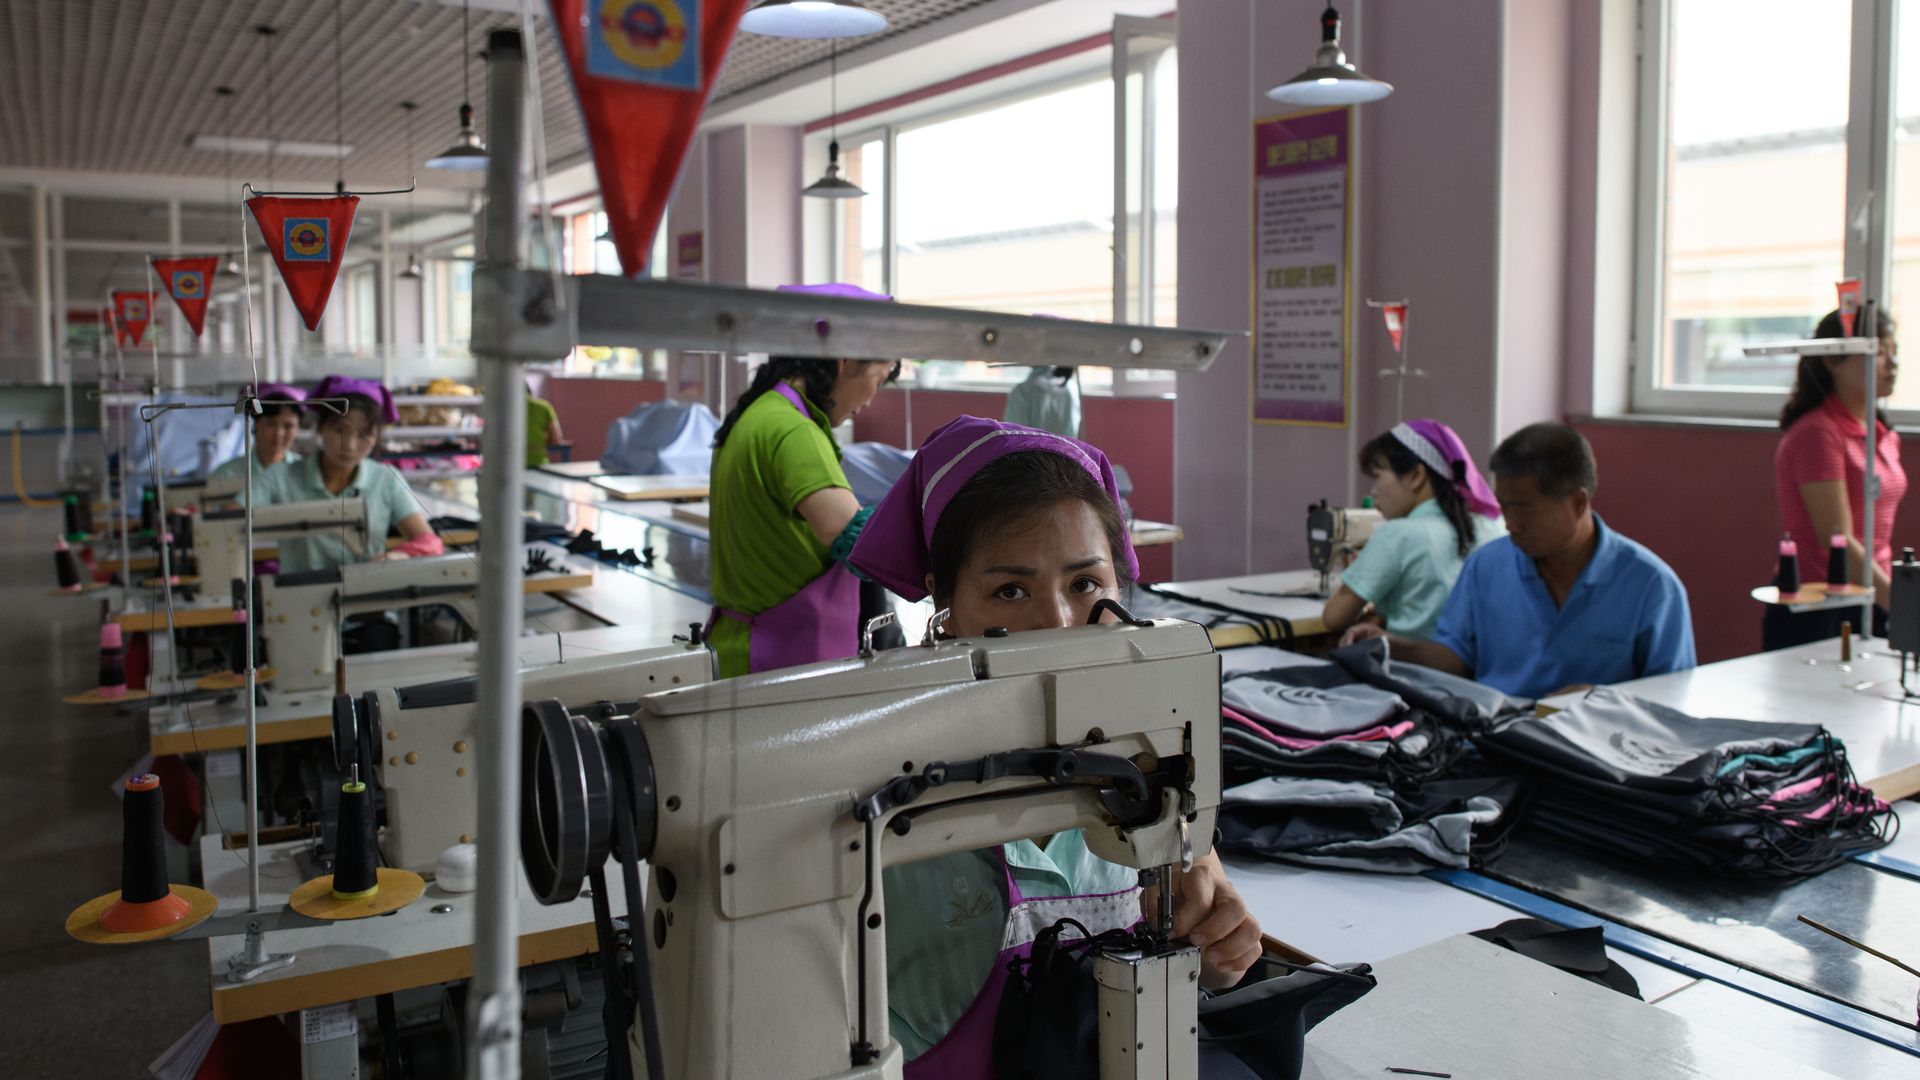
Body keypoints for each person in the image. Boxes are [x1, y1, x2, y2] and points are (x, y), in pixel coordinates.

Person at [849, 415, 1263, 1070]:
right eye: (1010, 590)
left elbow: (1189, 971)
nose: (1059, 623)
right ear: (943, 604)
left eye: (1085, 585)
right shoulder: (883, 792)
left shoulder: (1148, 766)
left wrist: (1214, 958)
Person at [1346, 422, 1694, 699]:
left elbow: (1672, 699)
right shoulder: (1487, 566)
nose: (1510, 524)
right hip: (1498, 742)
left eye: (1523, 509)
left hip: (1602, 754)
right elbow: (1456, 660)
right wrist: (1393, 645)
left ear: (1576, 503)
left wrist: (1609, 701)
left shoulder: (1651, 587)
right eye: (1504, 506)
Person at [706, 283, 901, 677]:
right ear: (844, 362)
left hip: (743, 646)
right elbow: (855, 540)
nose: (870, 399)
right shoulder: (795, 431)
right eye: (877, 380)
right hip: (783, 658)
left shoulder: (760, 413)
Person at [1768, 308, 1904, 650]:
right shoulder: (1818, 434)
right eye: (1880, 353)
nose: (1892, 364)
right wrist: (1902, 607)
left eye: (1894, 353)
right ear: (1834, 362)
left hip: (1874, 595)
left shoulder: (1880, 432)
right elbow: (1836, 539)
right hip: (1824, 605)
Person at [1321, 419, 1505, 641]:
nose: (1373, 492)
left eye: (1378, 476)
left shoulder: (1398, 534)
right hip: (1470, 670)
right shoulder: (1493, 526)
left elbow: (1334, 618)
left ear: (1415, 476)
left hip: (1410, 667)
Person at [262, 376, 441, 574]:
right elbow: (231, 521)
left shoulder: (386, 480)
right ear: (321, 427)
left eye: (365, 434)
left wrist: (397, 556)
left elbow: (429, 542)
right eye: (340, 430)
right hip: (298, 602)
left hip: (370, 597)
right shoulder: (280, 477)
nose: (350, 446)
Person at [207, 382, 305, 501]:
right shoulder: (226, 474)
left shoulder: (305, 471)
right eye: (271, 424)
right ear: (255, 424)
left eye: (288, 426)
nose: (279, 433)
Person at [1004, 365, 1081, 438]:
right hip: (1066, 450)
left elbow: (1013, 435)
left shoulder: (1023, 390)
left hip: (1032, 450)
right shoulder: (1072, 388)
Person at [525, 380, 565, 468]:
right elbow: (556, 437)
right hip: (538, 461)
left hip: (508, 462)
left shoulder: (502, 407)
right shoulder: (543, 406)